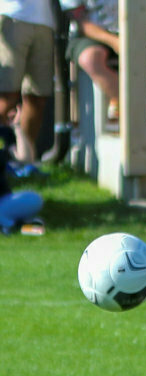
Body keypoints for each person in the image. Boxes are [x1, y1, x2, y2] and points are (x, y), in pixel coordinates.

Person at [0, 0, 56, 173]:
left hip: (44, 22)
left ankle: (24, 161)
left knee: (37, 97)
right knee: (7, 95)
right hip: (12, 15)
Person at [65, 0, 121, 122]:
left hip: (127, 31)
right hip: (88, 36)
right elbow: (81, 23)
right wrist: (114, 41)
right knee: (90, 58)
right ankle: (126, 103)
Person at [0, 123, 43, 234]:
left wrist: (18, 128)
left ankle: (11, 224)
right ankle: (12, 224)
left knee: (34, 198)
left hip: (3, 200)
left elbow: (24, 159)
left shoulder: (4, 132)